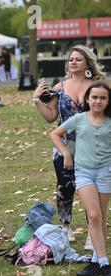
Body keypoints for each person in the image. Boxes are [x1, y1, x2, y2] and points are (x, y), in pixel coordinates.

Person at [32, 45, 106, 247]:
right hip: (63, 144)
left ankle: (94, 231)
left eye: (78, 59)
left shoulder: (97, 87)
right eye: (71, 59)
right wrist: (37, 99)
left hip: (91, 144)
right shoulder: (60, 87)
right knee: (65, 186)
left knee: (91, 188)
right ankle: (65, 227)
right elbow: (51, 117)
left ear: (87, 63)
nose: (73, 62)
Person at [50, 82, 111, 276]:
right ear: (87, 99)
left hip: (105, 173)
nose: (98, 101)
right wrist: (66, 153)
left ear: (107, 101)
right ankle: (104, 263)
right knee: (93, 215)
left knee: (100, 218)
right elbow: (55, 133)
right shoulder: (79, 119)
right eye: (94, 97)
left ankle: (96, 260)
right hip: (84, 173)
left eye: (102, 98)